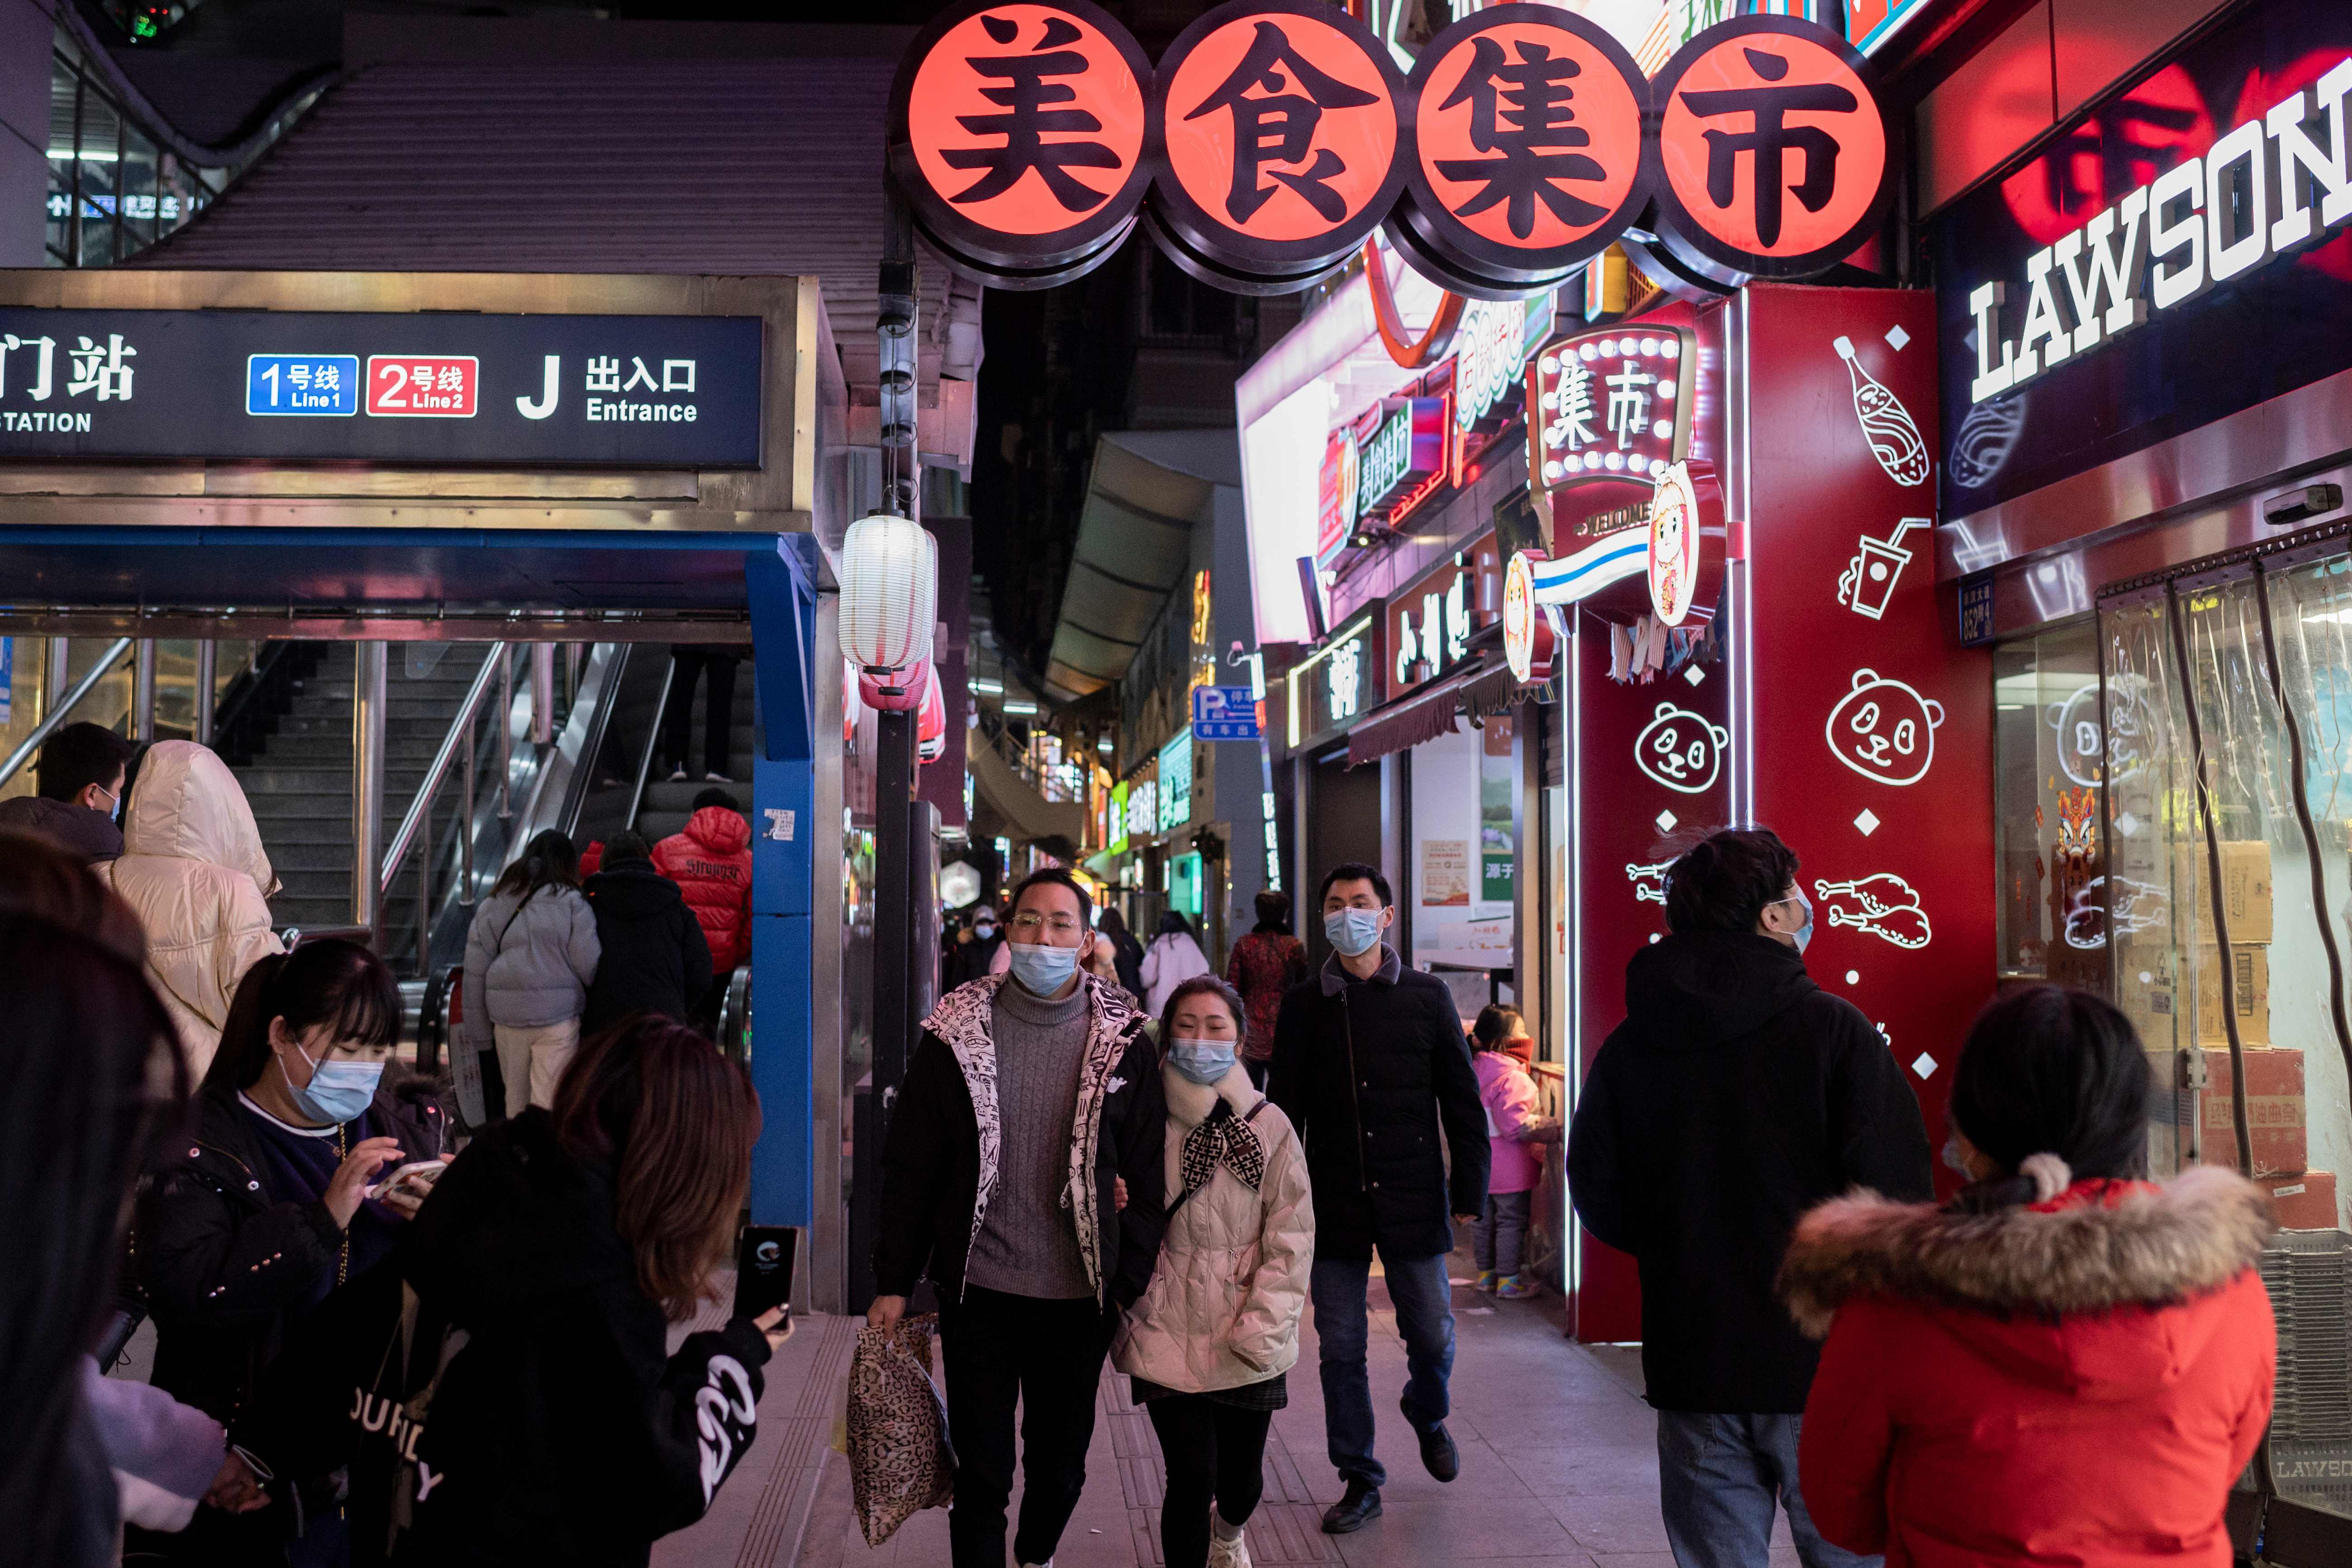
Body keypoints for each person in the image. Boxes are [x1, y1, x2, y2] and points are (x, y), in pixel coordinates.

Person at [225, 1016, 788, 1567]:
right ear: (688, 1172)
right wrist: (732, 1361)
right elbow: (652, 1485)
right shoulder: (602, 1293)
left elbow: (340, 1341)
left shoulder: (472, 1203)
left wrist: (260, 1451)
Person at [1782, 987, 2276, 1568]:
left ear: (1967, 1137)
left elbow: (1843, 1514)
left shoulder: (1896, 1301)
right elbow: (2218, 1472)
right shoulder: (2227, 1287)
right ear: (2136, 1122)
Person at [1568, 827, 1931, 1568]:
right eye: (1795, 893)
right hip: (1821, 1363)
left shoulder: (1633, 1042)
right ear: (1771, 917)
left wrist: (1681, 1244)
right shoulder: (1833, 1031)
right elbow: (1893, 1192)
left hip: (1691, 1355)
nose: (1805, 905)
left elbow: (1596, 1185)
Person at [872, 867, 1169, 1568]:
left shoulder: (1125, 1042)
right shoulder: (954, 1031)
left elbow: (1149, 1176)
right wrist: (893, 1279)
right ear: (1008, 931)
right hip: (981, 1287)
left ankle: (1035, 1555)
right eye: (1029, 921)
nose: (1043, 936)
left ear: (1086, 939)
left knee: (1059, 1467)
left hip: (1078, 1296)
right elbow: (912, 1164)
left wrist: (1124, 1281)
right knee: (982, 1471)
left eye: (1060, 924)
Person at [134, 937, 448, 1565]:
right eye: (347, 1048)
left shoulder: (401, 1127)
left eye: (378, 1051)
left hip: (372, 1451)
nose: (363, 1068)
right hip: (242, 1452)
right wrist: (321, 1219)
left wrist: (450, 1218)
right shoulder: (201, 1145)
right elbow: (193, 1290)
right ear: (282, 1034)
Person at [1267, 861, 1488, 1535]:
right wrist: (1279, 1199)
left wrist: (1468, 1188)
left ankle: (1425, 1408)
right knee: (1339, 1346)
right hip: (1331, 1203)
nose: (1346, 913)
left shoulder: (1425, 997)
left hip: (1413, 1195)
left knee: (1431, 1333)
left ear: (1386, 915)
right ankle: (1358, 1475)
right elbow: (1284, 1109)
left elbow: (1460, 1097)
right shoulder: (1305, 1004)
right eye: (1334, 903)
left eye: (1359, 902)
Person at [1113, 976, 1312, 1568]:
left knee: (1242, 1480)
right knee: (1189, 1474)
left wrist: (1265, 1322)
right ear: (1165, 1037)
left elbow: (1292, 1236)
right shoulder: (1140, 1118)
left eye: (1215, 1026)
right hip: (1162, 1320)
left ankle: (1227, 1536)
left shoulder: (1268, 1125)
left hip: (1246, 1321)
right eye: (1186, 1025)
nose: (1200, 1038)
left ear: (1241, 1038)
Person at [99, 738, 285, 1077]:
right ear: (226, 810)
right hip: (201, 1092)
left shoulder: (97, 879)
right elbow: (267, 1011)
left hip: (109, 1079)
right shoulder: (233, 891)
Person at [462, 828, 600, 1117]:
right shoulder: (574, 903)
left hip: (507, 1020)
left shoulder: (494, 902)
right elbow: (588, 968)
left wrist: (480, 1034)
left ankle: (518, 1159)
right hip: (558, 1019)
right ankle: (545, 1160)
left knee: (514, 1102)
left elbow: (475, 972)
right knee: (549, 1103)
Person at [580, 828, 711, 1036]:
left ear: (605, 862)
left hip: (603, 1024)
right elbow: (701, 970)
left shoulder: (589, 906)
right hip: (663, 1022)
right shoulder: (675, 907)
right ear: (647, 860)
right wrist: (677, 1006)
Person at [1470, 1005, 1560, 1298]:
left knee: (1482, 1222)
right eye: (1521, 1031)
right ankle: (1508, 1281)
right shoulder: (1514, 1078)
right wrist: (1552, 1127)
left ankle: (1486, 1277)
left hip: (1477, 1165)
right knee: (1510, 1222)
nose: (1527, 1037)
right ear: (1504, 1041)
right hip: (1509, 1168)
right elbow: (1515, 1127)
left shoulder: (1472, 1071)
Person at [651, 786, 754, 1010]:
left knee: (673, 1029)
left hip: (674, 958)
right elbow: (753, 919)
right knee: (710, 1029)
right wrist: (736, 953)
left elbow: (651, 903)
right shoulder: (748, 861)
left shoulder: (666, 850)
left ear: (695, 814)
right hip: (722, 962)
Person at [0, 718, 134, 862]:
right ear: (91, 794)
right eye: (119, 789)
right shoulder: (107, 852)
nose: (119, 797)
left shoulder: (8, 821)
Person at [1224, 889, 1307, 1089]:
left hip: (1251, 1029)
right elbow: (1303, 986)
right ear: (1284, 913)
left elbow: (1232, 988)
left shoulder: (1245, 945)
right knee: (1283, 1090)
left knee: (1251, 1091)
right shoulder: (1294, 946)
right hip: (1284, 1026)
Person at [658, 645, 743, 783]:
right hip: (725, 636)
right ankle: (716, 767)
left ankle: (678, 763)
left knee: (681, 700)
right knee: (720, 704)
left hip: (690, 634)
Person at [1140, 909, 1212, 1017]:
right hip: (1189, 1002)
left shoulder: (1159, 943)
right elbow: (1204, 972)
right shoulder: (1191, 942)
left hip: (1162, 1006)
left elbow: (1147, 979)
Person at [1097, 903, 1146, 998]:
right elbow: (1141, 964)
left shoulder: (1101, 944)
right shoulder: (1130, 941)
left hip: (1107, 994)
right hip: (1132, 993)